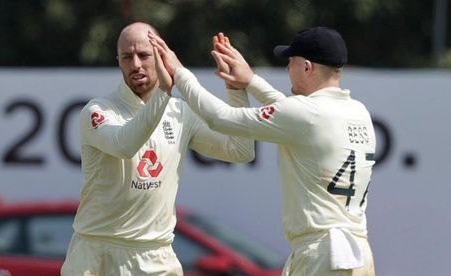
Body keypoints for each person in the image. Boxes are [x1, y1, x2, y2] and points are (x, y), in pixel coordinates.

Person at [150, 27, 376, 275]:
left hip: (322, 254)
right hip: (358, 252)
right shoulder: (358, 111)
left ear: (307, 67)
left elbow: (220, 118)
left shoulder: (307, 114)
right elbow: (294, 115)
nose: (288, 69)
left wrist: (180, 73)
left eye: (291, 62)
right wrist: (249, 82)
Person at [61, 22, 255, 276]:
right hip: (98, 252)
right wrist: (164, 91)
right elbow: (124, 145)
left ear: (161, 56)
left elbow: (241, 150)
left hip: (156, 256)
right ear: (118, 61)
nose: (136, 65)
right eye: (127, 57)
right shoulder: (98, 111)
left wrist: (236, 89)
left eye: (144, 55)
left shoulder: (181, 112)